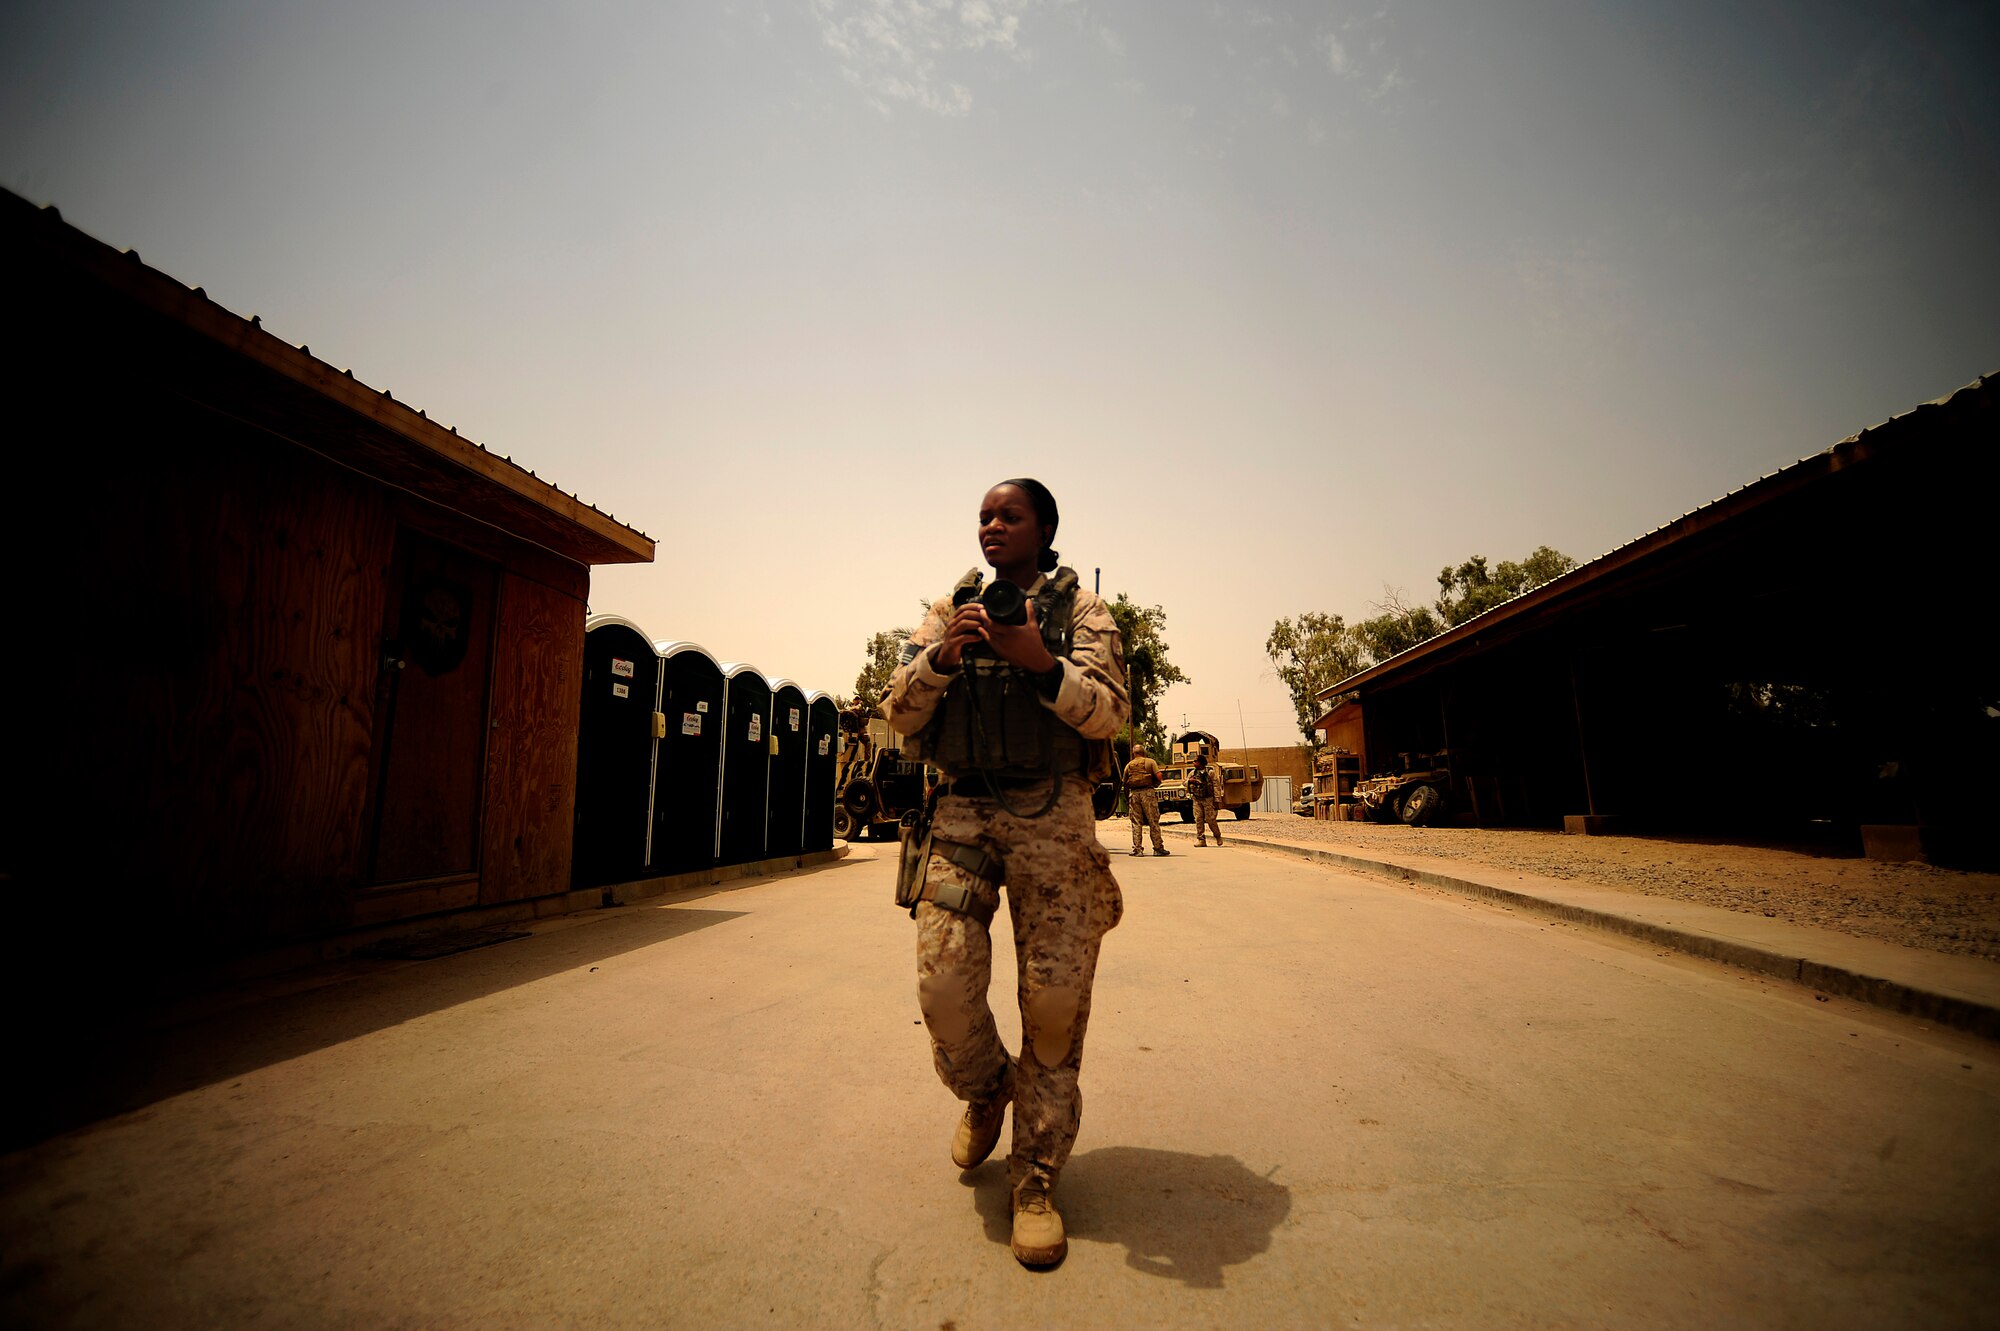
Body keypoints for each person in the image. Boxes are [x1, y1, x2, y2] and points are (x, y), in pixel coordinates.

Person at [882, 477, 1129, 1269]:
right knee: (943, 984)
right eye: (984, 516)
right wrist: (941, 660)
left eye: (1008, 515)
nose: (992, 526)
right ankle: (987, 1091)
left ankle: (1036, 1179)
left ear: (1042, 529)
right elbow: (899, 710)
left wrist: (1039, 662)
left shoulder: (1081, 614)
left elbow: (1109, 713)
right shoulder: (953, 605)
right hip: (960, 812)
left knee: (1053, 1007)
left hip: (1054, 813)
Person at [1122, 743, 1169, 856]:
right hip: (1148, 794)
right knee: (1153, 821)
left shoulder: (1129, 765)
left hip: (1134, 795)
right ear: (1143, 752)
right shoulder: (1150, 762)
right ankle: (1158, 848)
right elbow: (1159, 777)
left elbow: (1125, 783)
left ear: (1133, 754)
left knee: (1136, 823)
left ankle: (1138, 849)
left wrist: (1128, 797)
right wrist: (1155, 784)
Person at [1190, 747, 1226, 846]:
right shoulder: (1193, 773)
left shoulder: (1210, 772)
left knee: (1210, 819)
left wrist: (1217, 800)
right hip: (1197, 799)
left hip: (1208, 799)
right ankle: (1201, 839)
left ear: (1201, 763)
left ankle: (1217, 836)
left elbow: (1216, 786)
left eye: (1195, 761)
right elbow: (1184, 782)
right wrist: (1190, 781)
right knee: (1198, 819)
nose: (1193, 763)